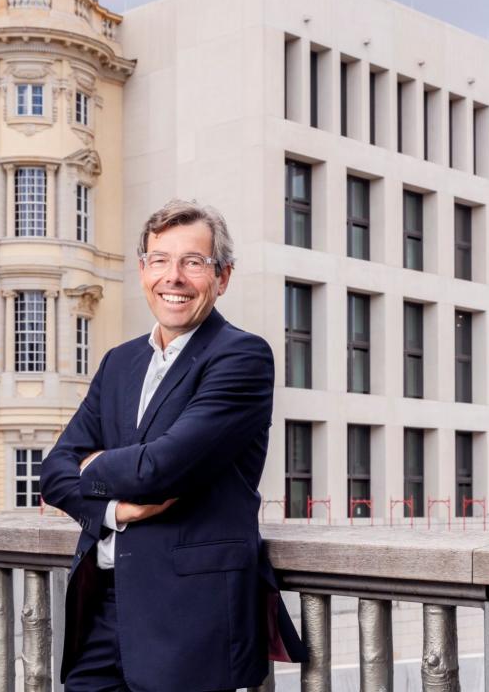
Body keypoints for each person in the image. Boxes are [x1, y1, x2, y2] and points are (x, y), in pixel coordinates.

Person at [40, 200, 304, 691]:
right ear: (143, 270)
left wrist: (93, 464)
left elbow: (162, 469)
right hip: (101, 613)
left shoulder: (241, 357)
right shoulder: (119, 362)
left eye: (193, 262)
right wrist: (115, 509)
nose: (173, 277)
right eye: (159, 260)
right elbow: (53, 471)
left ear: (222, 277)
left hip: (190, 621)